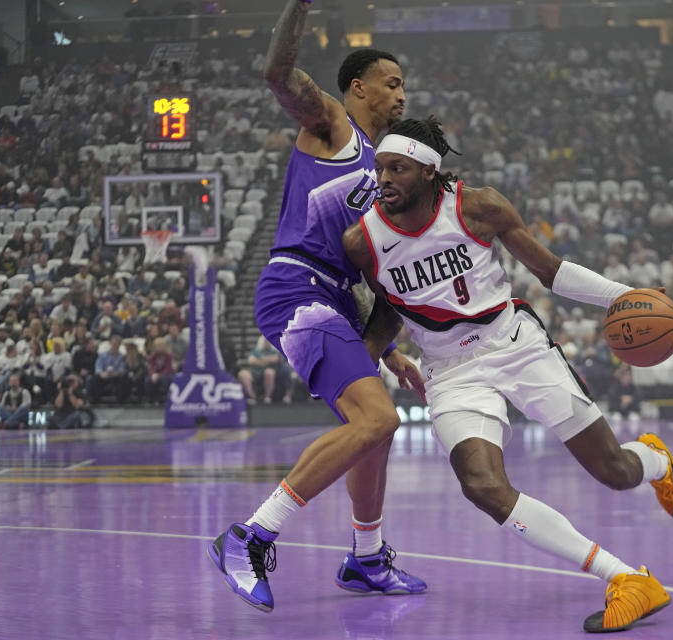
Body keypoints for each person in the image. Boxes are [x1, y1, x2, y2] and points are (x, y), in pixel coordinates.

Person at [342, 116, 673, 633]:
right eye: (380, 168)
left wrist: (624, 298)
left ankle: (655, 461)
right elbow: (392, 307)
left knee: (615, 472)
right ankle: (625, 578)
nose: (385, 178)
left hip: (517, 345)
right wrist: (361, 361)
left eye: (399, 168)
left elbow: (551, 272)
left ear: (430, 172)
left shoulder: (477, 207)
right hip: (451, 371)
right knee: (482, 485)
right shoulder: (362, 240)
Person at [207, 0, 425, 614]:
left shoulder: (386, 183)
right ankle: (247, 536)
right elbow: (278, 72)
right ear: (359, 88)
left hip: (333, 300)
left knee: (379, 430)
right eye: (393, 82)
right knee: (377, 421)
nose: (403, 94)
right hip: (296, 287)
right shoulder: (333, 125)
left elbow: (384, 294)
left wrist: (386, 356)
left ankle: (365, 558)